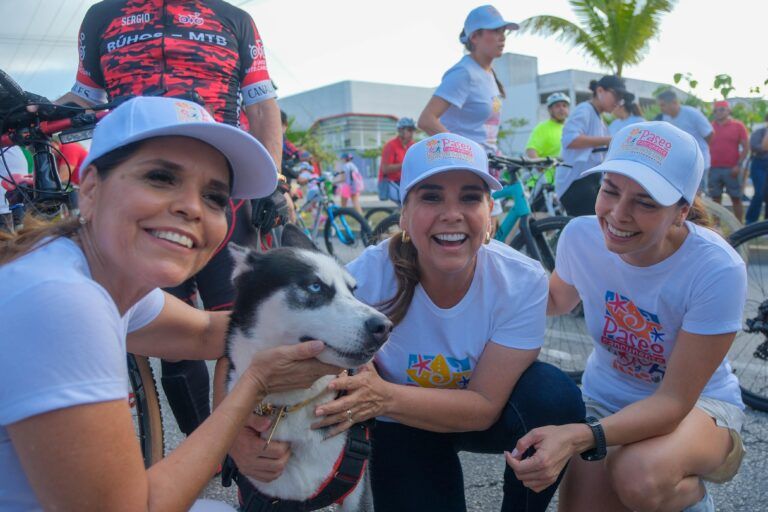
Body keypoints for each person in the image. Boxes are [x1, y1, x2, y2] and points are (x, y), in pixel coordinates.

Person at [0, 96, 338, 511]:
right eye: (160, 177)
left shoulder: (88, 269)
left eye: (215, 197)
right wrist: (252, 387)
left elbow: (205, 333)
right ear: (89, 189)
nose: (191, 207)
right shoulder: (60, 300)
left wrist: (340, 323)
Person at [309, 133, 585, 512]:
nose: (452, 213)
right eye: (432, 196)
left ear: (491, 213)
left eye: (470, 197)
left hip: (475, 415)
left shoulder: (522, 280)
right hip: (402, 425)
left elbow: (485, 404)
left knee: (553, 396)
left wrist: (382, 395)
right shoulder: (364, 278)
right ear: (404, 214)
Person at [56, 0, 285, 439]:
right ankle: (205, 448)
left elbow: (262, 106)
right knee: (172, 346)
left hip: (221, 191)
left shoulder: (233, 18)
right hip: (139, 186)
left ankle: (252, 455)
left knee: (241, 325)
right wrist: (29, 111)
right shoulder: (103, 15)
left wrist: (272, 180)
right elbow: (83, 98)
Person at [507, 122, 747, 512]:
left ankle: (690, 496)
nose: (618, 215)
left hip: (698, 408)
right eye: (610, 190)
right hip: (606, 399)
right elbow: (553, 300)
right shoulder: (580, 237)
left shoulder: (716, 268)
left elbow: (672, 401)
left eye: (646, 202)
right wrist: (472, 277)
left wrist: (580, 435)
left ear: (680, 212)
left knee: (639, 477)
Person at [418, 4, 517, 222]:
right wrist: (464, 153)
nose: (502, 37)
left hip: (487, 166)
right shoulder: (463, 73)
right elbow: (426, 120)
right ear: (475, 37)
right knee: (476, 240)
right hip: (464, 169)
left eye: (504, 32)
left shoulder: (489, 73)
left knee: (491, 236)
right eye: (495, 31)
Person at [556, 75, 624, 216]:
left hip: (589, 180)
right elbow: (570, 140)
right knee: (595, 226)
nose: (618, 102)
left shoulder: (599, 118)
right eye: (616, 96)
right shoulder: (584, 110)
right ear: (600, 91)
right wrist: (608, 140)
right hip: (575, 182)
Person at [657, 89, 713, 190]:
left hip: (698, 164)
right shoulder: (666, 117)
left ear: (674, 102)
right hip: (680, 164)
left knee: (697, 196)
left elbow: (710, 134)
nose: (661, 108)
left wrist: (700, 151)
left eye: (663, 105)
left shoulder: (692, 114)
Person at [708, 100, 749, 221]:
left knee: (736, 198)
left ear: (728, 110)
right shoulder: (710, 127)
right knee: (715, 199)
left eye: (722, 109)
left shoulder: (738, 126)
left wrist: (739, 165)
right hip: (714, 169)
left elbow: (746, 147)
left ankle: (739, 226)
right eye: (716, 110)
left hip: (732, 169)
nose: (718, 112)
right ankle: (716, 228)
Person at [378, 117, 416, 203]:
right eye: (409, 130)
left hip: (403, 181)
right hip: (390, 181)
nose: (412, 133)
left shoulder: (412, 145)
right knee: (407, 202)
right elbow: (385, 169)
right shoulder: (391, 146)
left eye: (413, 130)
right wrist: (405, 164)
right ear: (401, 131)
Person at [746, 114, 768, 223]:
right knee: (759, 193)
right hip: (760, 163)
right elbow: (757, 147)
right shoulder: (759, 132)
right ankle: (750, 221)